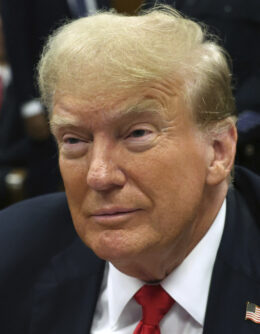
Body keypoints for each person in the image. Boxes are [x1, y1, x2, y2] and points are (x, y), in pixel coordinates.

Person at [0, 5, 259, 334]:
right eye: (75, 140)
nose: (99, 176)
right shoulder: (11, 253)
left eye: (137, 134)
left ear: (218, 151)